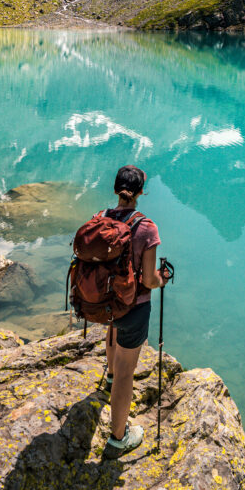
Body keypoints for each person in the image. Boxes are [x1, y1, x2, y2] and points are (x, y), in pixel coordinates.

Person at [102, 164, 170, 457]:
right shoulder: (146, 227)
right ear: (141, 191)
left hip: (106, 304)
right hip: (134, 307)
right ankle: (119, 437)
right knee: (127, 373)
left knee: (112, 329)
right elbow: (148, 279)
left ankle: (108, 375)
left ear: (116, 189)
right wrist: (163, 278)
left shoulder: (101, 218)